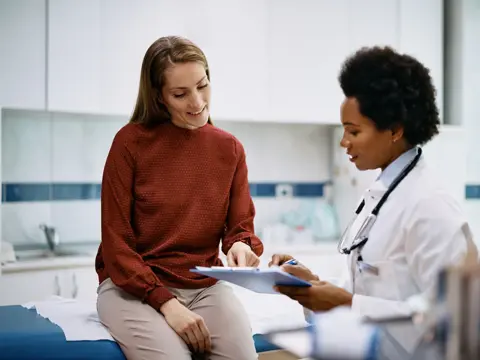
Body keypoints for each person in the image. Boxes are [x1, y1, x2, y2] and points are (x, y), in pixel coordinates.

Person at [270, 46, 477, 319]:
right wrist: (310, 284)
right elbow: (366, 289)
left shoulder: (431, 205)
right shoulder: (380, 195)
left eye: (354, 131)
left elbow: (455, 314)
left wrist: (346, 304)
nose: (344, 142)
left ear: (394, 130)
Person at [95, 36, 263, 360]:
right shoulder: (129, 144)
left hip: (204, 287)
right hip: (132, 290)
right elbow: (117, 247)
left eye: (202, 85)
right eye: (180, 94)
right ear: (159, 97)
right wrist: (166, 303)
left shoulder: (230, 149)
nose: (198, 102)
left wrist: (241, 246)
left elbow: (240, 228)